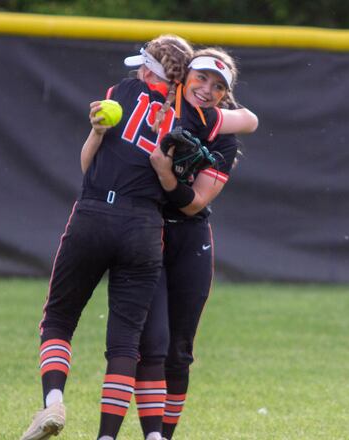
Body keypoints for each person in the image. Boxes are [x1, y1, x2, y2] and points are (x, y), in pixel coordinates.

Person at [20, 34, 196, 440]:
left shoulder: (124, 91)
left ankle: (53, 402)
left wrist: (98, 132)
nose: (137, 70)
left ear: (150, 71)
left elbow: (88, 166)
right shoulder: (188, 120)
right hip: (145, 226)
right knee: (124, 344)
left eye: (143, 65)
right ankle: (107, 436)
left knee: (60, 318)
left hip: (95, 213)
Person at [134, 48, 253, 440]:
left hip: (189, 238)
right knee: (151, 343)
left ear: (225, 95)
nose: (207, 89)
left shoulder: (222, 136)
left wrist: (169, 177)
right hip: (145, 231)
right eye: (201, 78)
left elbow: (195, 203)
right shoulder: (157, 106)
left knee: (178, 350)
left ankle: (163, 436)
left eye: (218, 86)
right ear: (184, 77)